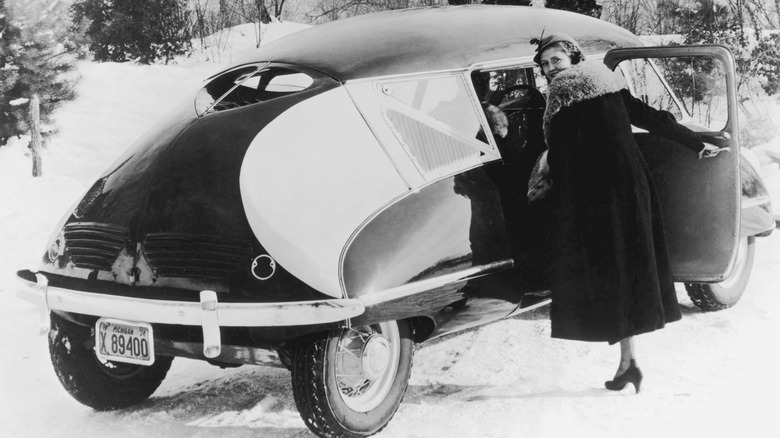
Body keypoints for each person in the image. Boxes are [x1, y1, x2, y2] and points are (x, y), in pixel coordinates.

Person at [530, 33, 720, 393]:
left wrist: (548, 183)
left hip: (595, 195)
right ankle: (627, 362)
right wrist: (694, 142)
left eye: (555, 60)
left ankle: (628, 362)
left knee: (606, 273)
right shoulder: (607, 81)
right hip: (631, 187)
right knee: (625, 270)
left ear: (573, 58)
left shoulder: (561, 95)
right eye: (544, 65)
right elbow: (651, 117)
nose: (550, 69)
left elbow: (563, 152)